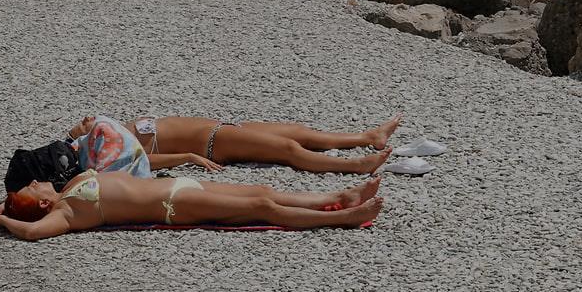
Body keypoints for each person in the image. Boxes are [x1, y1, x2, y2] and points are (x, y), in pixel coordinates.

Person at [0, 171, 385, 241]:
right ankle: (344, 219)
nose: (34, 180)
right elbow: (31, 232)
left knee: (261, 190)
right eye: (31, 187)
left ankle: (337, 198)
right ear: (42, 202)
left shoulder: (71, 187)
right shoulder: (65, 213)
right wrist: (4, 220)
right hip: (172, 204)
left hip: (178, 185)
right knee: (262, 207)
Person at [66, 114, 401, 175]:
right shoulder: (104, 151)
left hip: (220, 127)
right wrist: (188, 156)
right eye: (81, 124)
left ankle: (368, 137)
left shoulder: (108, 134)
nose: (87, 119)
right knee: (288, 150)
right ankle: (354, 166)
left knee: (297, 132)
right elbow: (142, 161)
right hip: (214, 140)